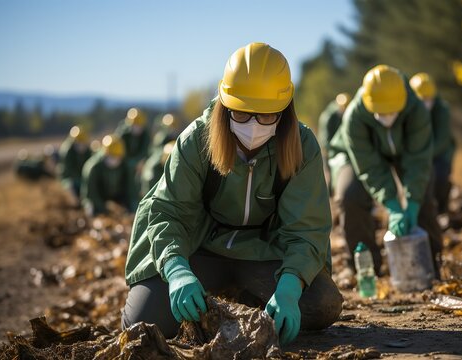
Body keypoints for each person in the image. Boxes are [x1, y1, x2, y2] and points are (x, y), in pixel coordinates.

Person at [122, 42, 342, 346]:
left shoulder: (303, 147)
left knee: (322, 304)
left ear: (284, 111)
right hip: (201, 250)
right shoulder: (195, 140)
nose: (253, 126)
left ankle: (244, 295)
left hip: (263, 254)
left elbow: (307, 228)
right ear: (225, 105)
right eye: (241, 114)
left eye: (265, 116)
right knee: (142, 322)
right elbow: (167, 213)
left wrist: (290, 286)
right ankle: (212, 291)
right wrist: (176, 271)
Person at [329, 64, 443, 277]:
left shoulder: (417, 109)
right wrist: (392, 205)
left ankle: (434, 264)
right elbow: (370, 167)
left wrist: (412, 203)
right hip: (356, 155)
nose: (387, 116)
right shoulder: (354, 116)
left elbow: (418, 162)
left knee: (423, 191)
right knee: (349, 195)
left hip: (404, 152)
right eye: (380, 112)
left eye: (392, 111)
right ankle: (365, 268)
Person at [410, 73, 456, 214]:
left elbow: (443, 139)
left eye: (428, 98)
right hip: (418, 152)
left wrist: (424, 154)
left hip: (440, 152)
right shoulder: (408, 111)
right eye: (421, 99)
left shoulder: (442, 110)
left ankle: (442, 210)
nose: (425, 102)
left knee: (440, 178)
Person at [81, 134, 131, 216]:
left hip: (116, 198)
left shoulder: (125, 166)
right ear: (106, 154)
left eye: (117, 157)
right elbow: (92, 194)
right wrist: (105, 209)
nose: (115, 159)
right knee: (91, 210)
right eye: (112, 156)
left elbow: (131, 190)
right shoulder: (93, 167)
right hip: (98, 199)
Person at [116, 107, 151, 210]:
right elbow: (120, 151)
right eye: (135, 125)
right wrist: (132, 163)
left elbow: (145, 150)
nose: (137, 128)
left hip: (139, 162)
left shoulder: (145, 134)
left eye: (139, 126)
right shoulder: (122, 133)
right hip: (124, 162)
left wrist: (140, 161)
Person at [317, 93, 350, 191]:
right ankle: (330, 192)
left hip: (335, 146)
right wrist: (329, 150)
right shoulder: (329, 116)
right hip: (327, 148)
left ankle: (334, 189)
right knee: (330, 170)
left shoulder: (340, 115)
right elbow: (325, 136)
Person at [57, 126, 92, 199]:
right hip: (69, 178)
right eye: (80, 142)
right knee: (70, 189)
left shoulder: (87, 150)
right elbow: (68, 171)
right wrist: (81, 180)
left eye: (83, 142)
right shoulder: (67, 151)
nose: (82, 144)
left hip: (82, 177)